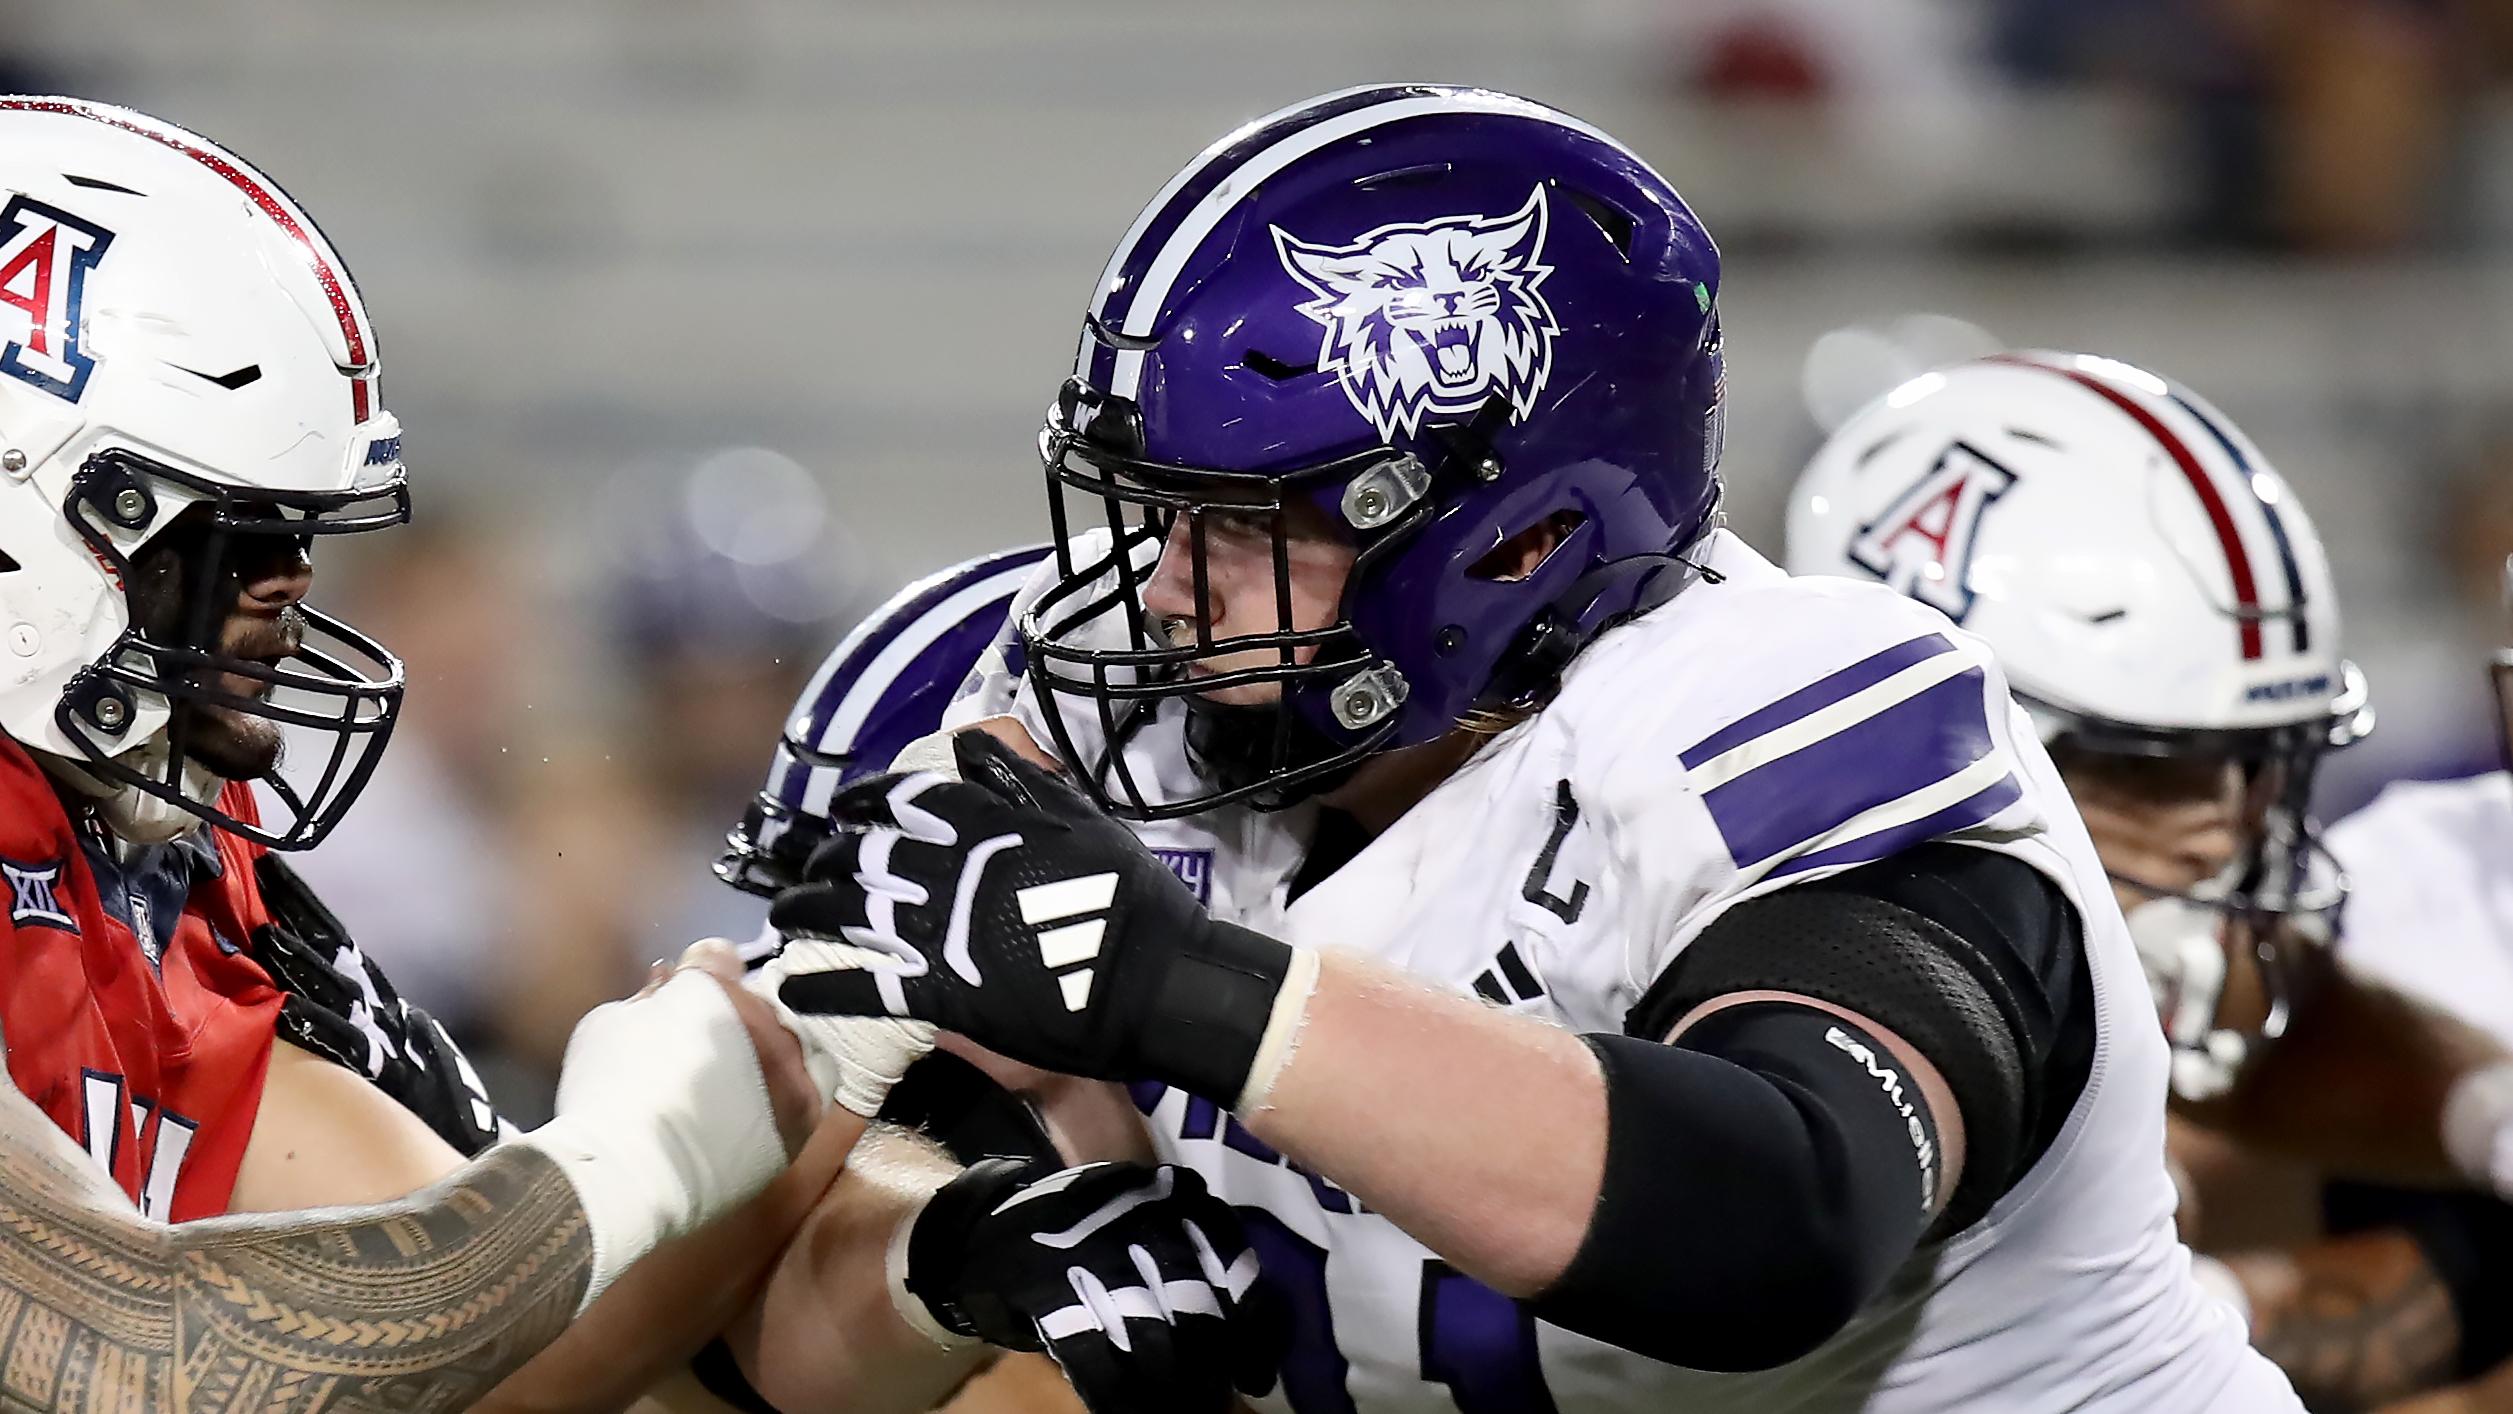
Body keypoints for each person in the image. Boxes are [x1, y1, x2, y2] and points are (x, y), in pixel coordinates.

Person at [756, 84, 2299, 1410]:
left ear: (1510, 542)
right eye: (1156, 512)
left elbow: (1787, 1216)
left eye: (1238, 527)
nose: (1162, 588)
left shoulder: (1781, 706)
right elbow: (749, 1348)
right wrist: (945, 1248)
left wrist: (1181, 988)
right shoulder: (1157, 745)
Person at [0, 96, 1276, 1414]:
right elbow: (151, 1359)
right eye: (226, 530)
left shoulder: (134, 875)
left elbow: (500, 1348)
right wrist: (628, 1161)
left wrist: (923, 1224)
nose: (288, 586)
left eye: (294, 534)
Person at [1787, 353, 2513, 1407]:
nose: (2220, 835)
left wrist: (2486, 1107)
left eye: (2253, 765)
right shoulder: (1816, 1071)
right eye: (2146, 768)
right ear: (1923, 750)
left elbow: (2283, 1012)